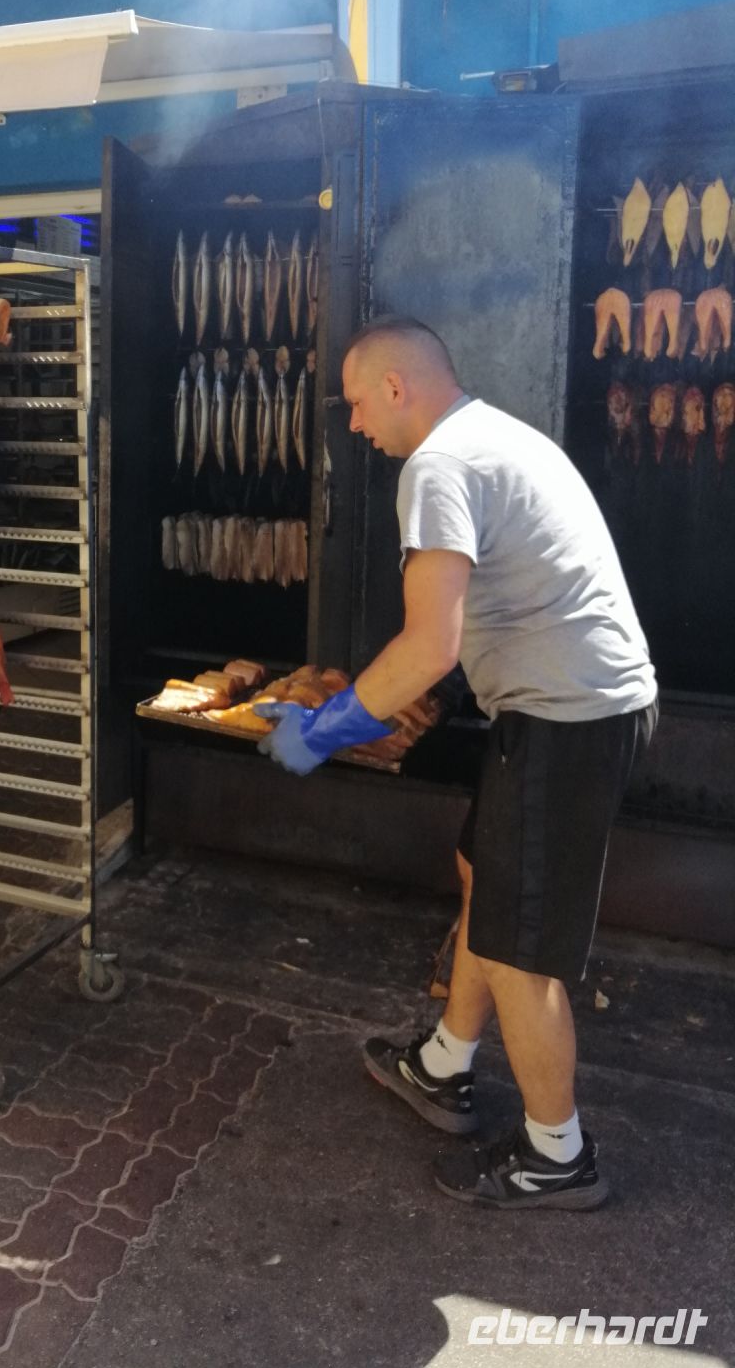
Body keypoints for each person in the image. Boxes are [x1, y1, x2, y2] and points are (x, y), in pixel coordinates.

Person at [255, 317, 657, 1210]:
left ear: (397, 387)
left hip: (569, 717)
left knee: (522, 951)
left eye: (358, 403)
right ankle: (443, 1066)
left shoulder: (436, 466)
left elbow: (430, 645)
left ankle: (560, 1157)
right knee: (485, 874)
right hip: (563, 708)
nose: (355, 425)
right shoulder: (492, 435)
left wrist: (322, 731)